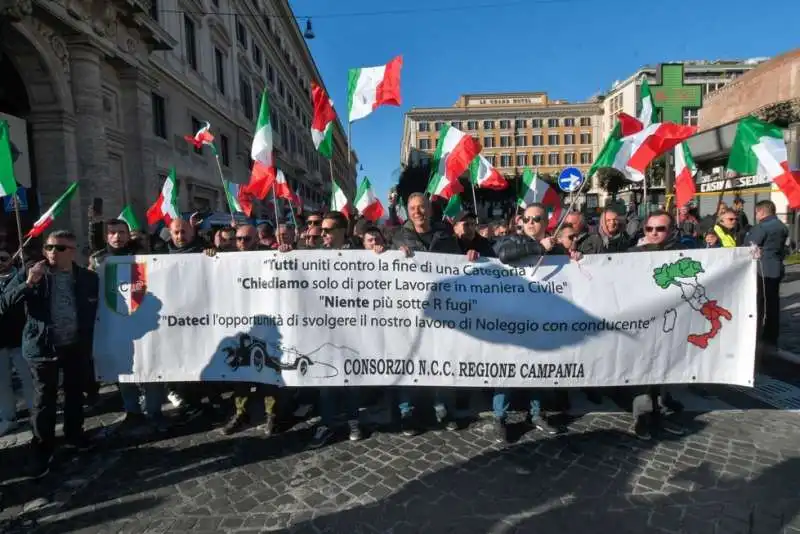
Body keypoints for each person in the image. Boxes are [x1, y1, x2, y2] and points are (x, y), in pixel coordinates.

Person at [0, 230, 99, 478]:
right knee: (45, 400)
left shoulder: (87, 277)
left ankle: (74, 436)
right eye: (50, 247)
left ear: (73, 252)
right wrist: (28, 282)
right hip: (42, 348)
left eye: (61, 248)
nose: (54, 252)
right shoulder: (33, 272)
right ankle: (42, 450)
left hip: (75, 345)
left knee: (75, 394)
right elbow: (4, 303)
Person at [491, 203, 581, 442]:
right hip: (513, 318)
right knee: (507, 369)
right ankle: (500, 417)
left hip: (542, 319)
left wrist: (576, 258)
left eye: (536, 219)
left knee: (538, 368)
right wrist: (537, 246)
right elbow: (504, 255)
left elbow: (572, 277)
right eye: (527, 219)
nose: (531, 223)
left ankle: (537, 413)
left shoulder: (556, 250)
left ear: (546, 222)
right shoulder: (510, 240)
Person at [392, 193, 464, 435]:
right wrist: (389, 253)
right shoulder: (398, 237)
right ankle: (407, 412)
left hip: (441, 311)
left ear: (430, 209)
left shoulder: (446, 235)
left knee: (441, 361)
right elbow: (384, 270)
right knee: (409, 361)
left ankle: (444, 409)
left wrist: (471, 259)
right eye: (412, 208)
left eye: (421, 207)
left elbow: (459, 267)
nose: (417, 212)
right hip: (408, 310)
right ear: (408, 212)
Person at [90, 219, 165, 434]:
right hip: (116, 323)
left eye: (121, 232)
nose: (117, 237)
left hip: (147, 321)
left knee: (152, 367)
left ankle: (154, 411)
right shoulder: (99, 260)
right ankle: (132, 412)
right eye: (112, 233)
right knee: (124, 370)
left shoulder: (145, 254)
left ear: (128, 234)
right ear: (107, 236)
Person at [625, 211, 686, 440]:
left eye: (660, 229)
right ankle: (642, 417)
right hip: (642, 323)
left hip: (671, 322)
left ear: (670, 230)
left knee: (665, 370)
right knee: (643, 371)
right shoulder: (632, 254)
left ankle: (661, 414)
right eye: (649, 229)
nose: (653, 233)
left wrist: (749, 254)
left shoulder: (684, 252)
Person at [745, 200, 789, 356]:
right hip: (776, 267)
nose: (756, 216)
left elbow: (749, 245)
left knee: (759, 305)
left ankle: (757, 337)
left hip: (762, 269)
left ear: (761, 212)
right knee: (773, 305)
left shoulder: (761, 227)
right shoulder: (782, 226)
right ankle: (771, 338)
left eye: (757, 213)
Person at [0, 251, 34, 437]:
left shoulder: (22, 275)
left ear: (12, 259)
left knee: (27, 378)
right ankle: (8, 418)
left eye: (3, 258)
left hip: (20, 337)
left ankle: (34, 413)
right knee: (1, 383)